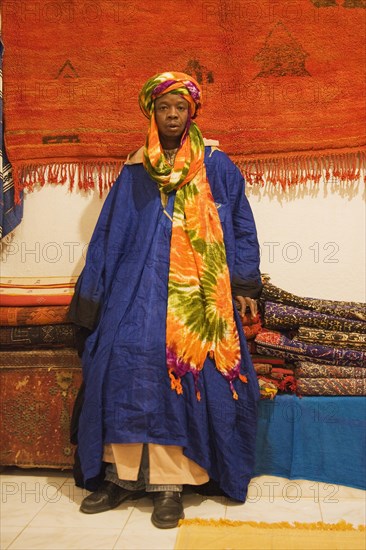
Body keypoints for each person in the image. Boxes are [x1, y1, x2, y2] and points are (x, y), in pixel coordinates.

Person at [68, 71, 262, 529]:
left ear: (192, 111)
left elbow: (241, 225)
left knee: (176, 361)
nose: (172, 115)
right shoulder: (135, 169)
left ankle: (171, 486)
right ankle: (120, 477)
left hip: (198, 291)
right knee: (118, 355)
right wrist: (92, 298)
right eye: (163, 108)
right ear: (151, 113)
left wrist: (246, 284)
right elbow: (108, 237)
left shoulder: (216, 164)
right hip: (135, 286)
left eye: (180, 107)